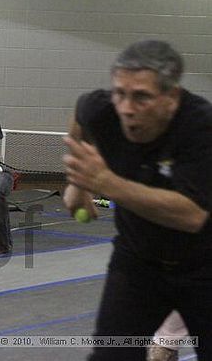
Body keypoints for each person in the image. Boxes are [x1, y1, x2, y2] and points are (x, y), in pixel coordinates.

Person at [62, 40, 212, 360]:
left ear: (171, 98)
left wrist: (104, 182)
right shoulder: (102, 110)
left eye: (141, 96)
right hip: (138, 262)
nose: (127, 107)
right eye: (120, 93)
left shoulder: (201, 126)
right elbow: (81, 112)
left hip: (204, 263)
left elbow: (192, 215)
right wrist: (77, 182)